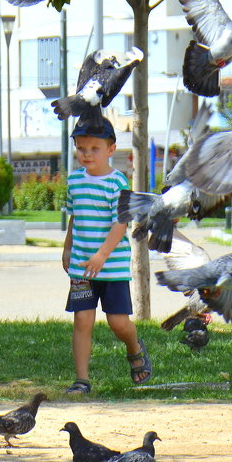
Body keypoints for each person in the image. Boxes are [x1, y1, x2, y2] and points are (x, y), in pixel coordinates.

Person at [61, 117, 150, 394]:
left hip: (111, 267)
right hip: (81, 267)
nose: (87, 154)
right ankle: (82, 380)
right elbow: (75, 217)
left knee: (118, 322)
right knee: (82, 320)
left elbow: (120, 223)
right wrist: (67, 248)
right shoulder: (74, 180)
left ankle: (135, 348)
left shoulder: (117, 182)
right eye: (81, 148)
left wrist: (102, 255)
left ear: (110, 149)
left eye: (94, 148)